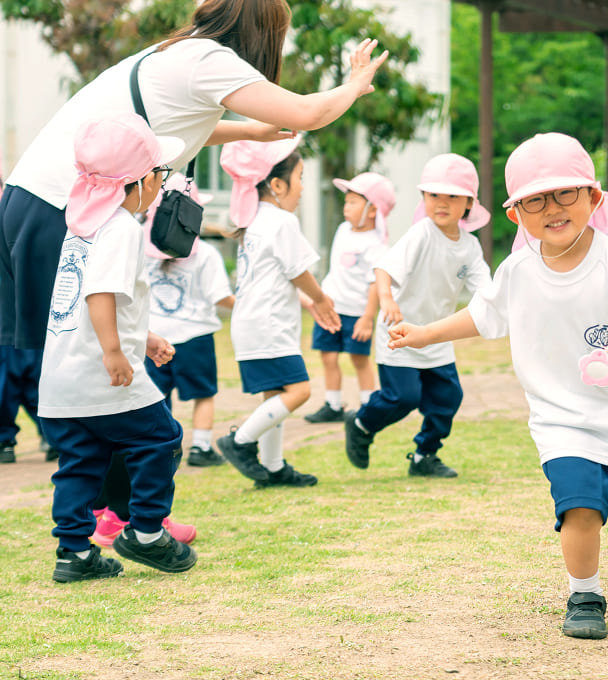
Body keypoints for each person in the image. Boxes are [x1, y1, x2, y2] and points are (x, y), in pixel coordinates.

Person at [387, 132, 608, 639]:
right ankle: (585, 595)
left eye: (565, 194)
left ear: (594, 198)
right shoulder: (518, 270)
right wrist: (424, 332)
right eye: (536, 199)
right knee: (580, 504)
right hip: (560, 423)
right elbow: (482, 316)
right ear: (516, 214)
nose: (552, 208)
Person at [0, 0, 384, 353]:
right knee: (70, 358)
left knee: (49, 356)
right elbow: (306, 113)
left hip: (32, 200)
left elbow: (168, 132)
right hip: (62, 208)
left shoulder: (176, 51)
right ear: (265, 33)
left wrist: (249, 131)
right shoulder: (209, 60)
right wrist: (353, 84)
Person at [40, 113, 196, 583]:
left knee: (81, 462)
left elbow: (92, 295)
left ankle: (74, 552)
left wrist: (139, 338)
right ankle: (146, 531)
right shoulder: (122, 227)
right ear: (143, 182)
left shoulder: (81, 225)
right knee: (161, 437)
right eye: (160, 175)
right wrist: (114, 351)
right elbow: (100, 294)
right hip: (103, 374)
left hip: (61, 381)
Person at [343, 154, 492, 479]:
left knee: (448, 397)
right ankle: (360, 423)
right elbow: (383, 268)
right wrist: (386, 300)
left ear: (469, 203)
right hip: (399, 332)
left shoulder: (470, 247)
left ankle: (425, 455)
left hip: (435, 336)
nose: (442, 203)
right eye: (433, 195)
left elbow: (488, 290)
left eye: (452, 196)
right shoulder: (422, 233)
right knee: (404, 397)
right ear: (423, 198)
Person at [215, 137, 338, 489]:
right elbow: (298, 271)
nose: (301, 188)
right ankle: (239, 442)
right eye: (299, 178)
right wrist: (320, 299)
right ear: (277, 184)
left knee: (276, 394)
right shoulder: (281, 222)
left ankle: (272, 467)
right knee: (298, 391)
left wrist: (306, 302)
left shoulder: (255, 222)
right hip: (267, 326)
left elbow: (271, 277)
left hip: (252, 324)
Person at [143, 173, 234, 467]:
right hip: (196, 336)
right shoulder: (206, 253)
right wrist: (245, 306)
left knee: (156, 398)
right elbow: (220, 296)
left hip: (153, 337)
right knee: (203, 395)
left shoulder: (139, 251)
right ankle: (201, 448)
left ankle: (162, 449)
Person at [304, 172, 394, 423]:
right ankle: (333, 405)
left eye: (353, 202)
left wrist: (368, 318)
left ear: (373, 210)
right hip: (330, 307)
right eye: (346, 202)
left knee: (359, 359)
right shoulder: (343, 229)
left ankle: (369, 406)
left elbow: (375, 283)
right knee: (327, 355)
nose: (346, 208)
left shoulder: (376, 244)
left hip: (357, 313)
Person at [0, 346, 55, 463]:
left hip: (31, 337)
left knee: (37, 387)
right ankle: (5, 441)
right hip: (7, 337)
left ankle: (51, 437)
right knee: (6, 389)